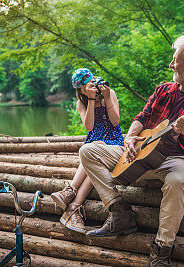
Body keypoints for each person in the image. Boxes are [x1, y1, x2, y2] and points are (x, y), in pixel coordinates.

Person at [79, 35, 184, 266]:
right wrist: (132, 138)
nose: (171, 65)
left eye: (175, 60)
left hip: (176, 159)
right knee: (88, 151)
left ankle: (162, 250)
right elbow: (141, 118)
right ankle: (120, 212)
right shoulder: (163, 89)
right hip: (142, 155)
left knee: (176, 181)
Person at [51, 68, 124, 234]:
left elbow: (115, 121)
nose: (91, 86)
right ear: (81, 90)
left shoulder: (109, 92)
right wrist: (91, 100)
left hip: (113, 142)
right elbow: (89, 126)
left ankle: (69, 191)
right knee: (93, 157)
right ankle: (73, 207)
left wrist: (105, 97)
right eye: (86, 87)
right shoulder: (81, 102)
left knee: (93, 151)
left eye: (91, 82)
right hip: (93, 144)